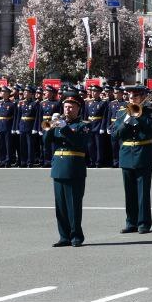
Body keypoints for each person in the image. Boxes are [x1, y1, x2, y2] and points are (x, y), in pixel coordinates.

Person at [111, 84, 152, 234]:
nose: (133, 98)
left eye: (136, 96)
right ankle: (131, 222)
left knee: (143, 191)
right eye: (131, 96)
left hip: (143, 153)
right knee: (129, 191)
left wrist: (140, 117)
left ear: (143, 97)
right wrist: (126, 122)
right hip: (126, 154)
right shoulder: (121, 112)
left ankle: (143, 222)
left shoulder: (151, 111)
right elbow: (115, 134)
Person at [46, 88, 89, 247]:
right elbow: (45, 142)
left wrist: (64, 128)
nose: (67, 109)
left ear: (78, 108)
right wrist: (50, 127)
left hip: (74, 168)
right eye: (65, 106)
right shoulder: (58, 124)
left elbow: (79, 143)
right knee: (60, 206)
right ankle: (64, 236)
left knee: (73, 205)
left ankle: (76, 236)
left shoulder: (83, 125)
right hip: (58, 167)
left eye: (71, 107)